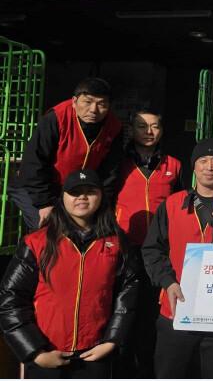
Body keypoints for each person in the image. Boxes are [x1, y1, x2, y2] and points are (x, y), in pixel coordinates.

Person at [0, 169, 139, 379]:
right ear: (63, 197)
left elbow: (127, 294)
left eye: (90, 191)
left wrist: (112, 340)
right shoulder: (36, 243)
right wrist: (34, 351)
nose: (82, 197)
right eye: (74, 192)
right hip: (47, 353)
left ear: (101, 196)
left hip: (95, 353)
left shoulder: (117, 244)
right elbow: (11, 298)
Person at [142, 138, 213, 379]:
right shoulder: (172, 204)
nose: (209, 166)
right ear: (194, 166)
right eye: (203, 160)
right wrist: (168, 282)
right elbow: (152, 250)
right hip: (177, 308)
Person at [114, 108, 183, 378]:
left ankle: (149, 369)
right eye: (142, 126)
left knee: (152, 312)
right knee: (124, 308)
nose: (149, 132)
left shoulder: (173, 165)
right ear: (132, 129)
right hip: (125, 248)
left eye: (155, 126)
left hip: (159, 250)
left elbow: (180, 205)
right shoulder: (118, 162)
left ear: (162, 130)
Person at [8, 77, 123, 231]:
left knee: (86, 229)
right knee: (48, 228)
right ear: (74, 101)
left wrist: (103, 205)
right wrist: (44, 203)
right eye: (87, 102)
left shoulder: (114, 127)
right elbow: (34, 162)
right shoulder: (56, 118)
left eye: (101, 104)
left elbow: (110, 172)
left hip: (75, 189)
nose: (93, 110)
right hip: (34, 185)